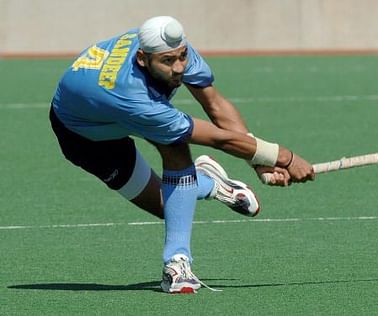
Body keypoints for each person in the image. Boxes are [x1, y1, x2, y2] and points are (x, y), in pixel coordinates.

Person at [49, 16, 315, 294]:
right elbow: (216, 138)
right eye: (168, 61)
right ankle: (211, 183)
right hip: (85, 136)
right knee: (169, 206)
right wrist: (284, 157)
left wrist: (258, 161)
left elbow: (215, 104)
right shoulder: (131, 94)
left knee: (176, 166)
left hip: (121, 112)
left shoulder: (171, 45)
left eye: (182, 57)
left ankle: (176, 264)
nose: (178, 68)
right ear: (142, 59)